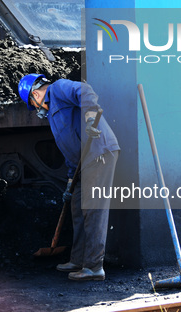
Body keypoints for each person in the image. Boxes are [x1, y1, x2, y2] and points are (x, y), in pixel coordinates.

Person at [18, 74, 120, 281]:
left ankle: (94, 267)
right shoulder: (52, 116)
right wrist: (69, 181)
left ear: (36, 94)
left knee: (93, 210)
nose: (36, 107)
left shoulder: (59, 88)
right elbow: (70, 147)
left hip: (99, 152)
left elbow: (84, 91)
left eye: (32, 103)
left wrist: (91, 118)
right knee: (77, 207)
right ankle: (78, 259)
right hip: (80, 163)